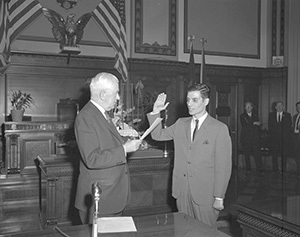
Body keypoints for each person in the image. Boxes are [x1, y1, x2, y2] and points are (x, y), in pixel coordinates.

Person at [147, 83, 232, 228]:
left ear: (206, 101)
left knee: (205, 232)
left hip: (205, 194)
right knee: (183, 231)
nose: (189, 104)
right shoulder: (181, 123)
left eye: (194, 100)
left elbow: (223, 167)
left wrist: (219, 196)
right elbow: (157, 135)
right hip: (182, 192)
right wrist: (155, 112)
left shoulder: (219, 129)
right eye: (188, 100)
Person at [74, 72, 141, 224]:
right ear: (103, 94)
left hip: (110, 196)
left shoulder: (101, 114)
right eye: (116, 93)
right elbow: (92, 158)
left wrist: (126, 140)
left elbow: (107, 142)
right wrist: (124, 149)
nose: (118, 98)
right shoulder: (86, 117)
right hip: (99, 199)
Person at [268, 101, 292, 172]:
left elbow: (289, 126)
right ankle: (275, 168)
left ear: (283, 107)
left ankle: (283, 169)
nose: (279, 107)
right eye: (278, 106)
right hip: (274, 138)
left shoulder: (287, 115)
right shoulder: (271, 115)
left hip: (284, 138)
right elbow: (270, 126)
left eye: (281, 105)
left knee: (284, 154)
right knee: (274, 153)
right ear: (275, 107)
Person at [240, 101, 263, 173]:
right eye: (246, 107)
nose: (248, 108)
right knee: (247, 154)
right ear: (244, 108)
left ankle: (259, 168)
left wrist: (256, 123)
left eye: (249, 106)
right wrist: (255, 123)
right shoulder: (242, 116)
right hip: (246, 138)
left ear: (252, 107)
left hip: (255, 138)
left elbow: (259, 124)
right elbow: (245, 125)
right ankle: (248, 169)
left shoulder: (255, 115)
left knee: (257, 154)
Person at [292, 101, 300, 176]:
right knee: (297, 155)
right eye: (297, 107)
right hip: (296, 139)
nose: (298, 108)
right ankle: (298, 170)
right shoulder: (295, 116)